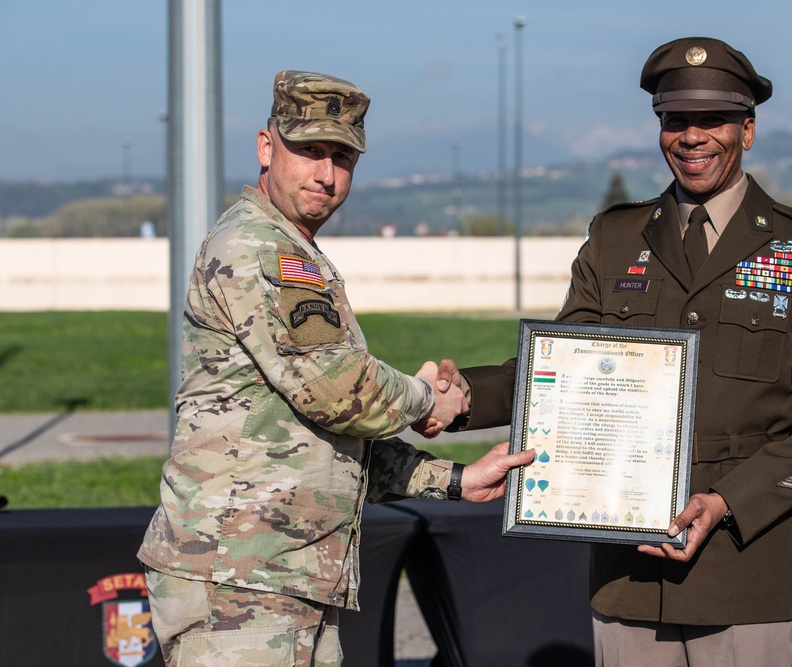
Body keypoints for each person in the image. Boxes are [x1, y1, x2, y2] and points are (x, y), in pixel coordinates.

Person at [427, 37, 792, 666]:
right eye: (674, 120)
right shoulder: (615, 237)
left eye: (711, 120)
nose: (691, 137)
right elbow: (563, 371)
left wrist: (726, 504)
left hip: (744, 577)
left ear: (747, 129)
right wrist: (464, 396)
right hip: (627, 576)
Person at [137, 70, 534, 667]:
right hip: (240, 584)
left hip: (281, 576)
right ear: (266, 148)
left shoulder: (295, 251)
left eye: (342, 156)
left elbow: (325, 442)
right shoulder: (261, 250)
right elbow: (339, 392)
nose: (326, 174)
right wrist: (429, 398)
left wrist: (453, 481)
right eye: (309, 151)